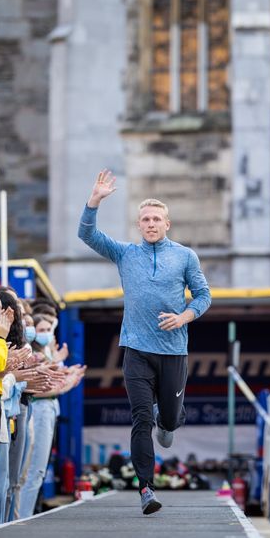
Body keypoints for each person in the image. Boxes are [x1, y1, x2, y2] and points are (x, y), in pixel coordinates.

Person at [78, 170, 211, 515]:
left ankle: (167, 419)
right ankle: (146, 489)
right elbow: (87, 234)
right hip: (135, 349)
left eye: (156, 219)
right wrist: (95, 200)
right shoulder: (125, 254)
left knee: (167, 420)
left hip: (173, 351)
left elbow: (203, 295)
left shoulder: (184, 256)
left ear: (167, 224)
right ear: (139, 226)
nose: (151, 224)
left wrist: (184, 317)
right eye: (145, 219)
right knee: (141, 419)